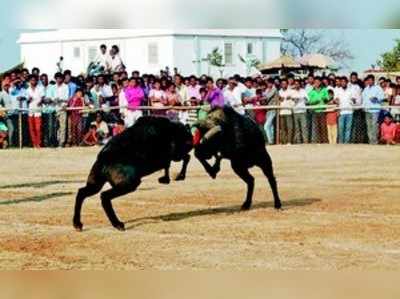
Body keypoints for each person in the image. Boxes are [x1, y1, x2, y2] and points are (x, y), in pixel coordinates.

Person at [362, 75, 385, 144]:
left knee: (374, 126)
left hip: (375, 110)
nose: (369, 81)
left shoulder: (378, 88)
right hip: (367, 110)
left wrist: (376, 99)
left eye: (371, 80)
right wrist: (364, 107)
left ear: (373, 80)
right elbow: (364, 99)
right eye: (368, 80)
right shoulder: (366, 89)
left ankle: (375, 141)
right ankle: (370, 141)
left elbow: (382, 98)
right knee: (369, 126)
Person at [308, 77, 329, 143]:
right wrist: (315, 101)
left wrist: (324, 98)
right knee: (316, 128)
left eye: (318, 82)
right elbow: (310, 101)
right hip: (315, 111)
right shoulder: (312, 91)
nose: (316, 83)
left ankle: (325, 141)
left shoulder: (324, 90)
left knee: (323, 127)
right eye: (315, 82)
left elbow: (327, 98)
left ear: (320, 82)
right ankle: (318, 141)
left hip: (322, 111)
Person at [26, 75, 45, 148]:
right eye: (31, 80)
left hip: (38, 110)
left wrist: (40, 101)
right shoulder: (27, 90)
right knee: (31, 128)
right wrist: (28, 99)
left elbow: (43, 97)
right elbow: (26, 100)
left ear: (36, 81)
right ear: (29, 81)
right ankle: (34, 143)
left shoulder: (40, 88)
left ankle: (39, 143)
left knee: (38, 128)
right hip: (30, 110)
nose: (33, 81)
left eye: (34, 80)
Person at [336, 77, 355, 144]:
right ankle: (341, 143)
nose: (343, 83)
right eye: (342, 82)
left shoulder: (351, 90)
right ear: (340, 83)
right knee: (341, 129)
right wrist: (338, 110)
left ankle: (346, 143)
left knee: (348, 129)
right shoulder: (338, 90)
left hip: (349, 112)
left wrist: (353, 100)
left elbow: (354, 100)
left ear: (347, 82)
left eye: (344, 81)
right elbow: (336, 101)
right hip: (341, 112)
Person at [291, 79, 308, 144]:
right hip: (295, 111)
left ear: (300, 84)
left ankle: (305, 142)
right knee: (297, 128)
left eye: (297, 84)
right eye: (295, 84)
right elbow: (291, 102)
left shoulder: (303, 91)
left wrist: (302, 98)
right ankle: (298, 142)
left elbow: (307, 100)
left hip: (303, 111)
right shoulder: (292, 92)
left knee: (304, 127)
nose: (296, 85)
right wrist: (294, 100)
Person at [278, 79, 295, 144]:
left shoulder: (291, 91)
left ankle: (289, 141)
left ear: (287, 84)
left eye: (285, 84)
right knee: (283, 128)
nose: (283, 85)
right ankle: (284, 141)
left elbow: (293, 101)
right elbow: (278, 101)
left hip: (289, 111)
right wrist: (279, 100)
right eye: (282, 84)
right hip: (281, 112)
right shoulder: (279, 92)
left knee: (290, 127)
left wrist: (290, 99)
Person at [263, 78, 279, 145]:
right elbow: (264, 98)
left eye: (268, 83)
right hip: (268, 109)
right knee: (271, 126)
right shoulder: (267, 89)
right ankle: (272, 141)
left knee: (266, 126)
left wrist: (258, 98)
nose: (267, 84)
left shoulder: (274, 89)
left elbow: (267, 97)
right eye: (267, 83)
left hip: (273, 109)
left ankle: (270, 141)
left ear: (271, 83)